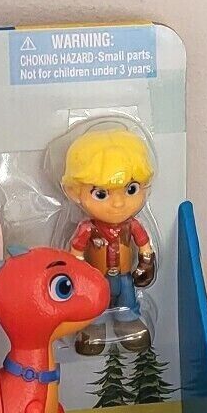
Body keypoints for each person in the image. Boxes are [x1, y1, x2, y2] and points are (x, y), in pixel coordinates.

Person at [61, 122, 157, 355]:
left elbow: (144, 245)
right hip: (97, 279)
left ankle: (128, 323)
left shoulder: (132, 225)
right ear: (74, 192)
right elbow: (76, 254)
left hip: (124, 277)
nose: (118, 203)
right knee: (95, 303)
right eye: (101, 194)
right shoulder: (87, 228)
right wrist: (78, 275)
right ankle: (94, 327)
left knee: (127, 300)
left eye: (131, 189)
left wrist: (146, 263)